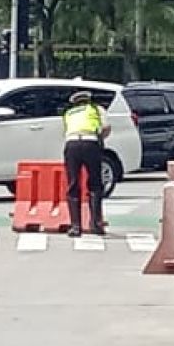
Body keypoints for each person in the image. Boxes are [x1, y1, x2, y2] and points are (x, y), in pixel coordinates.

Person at [63, 90, 111, 237]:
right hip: (90, 143)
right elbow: (106, 128)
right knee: (95, 183)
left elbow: (66, 130)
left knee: (73, 183)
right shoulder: (96, 109)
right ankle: (96, 224)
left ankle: (75, 226)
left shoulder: (68, 113)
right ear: (89, 100)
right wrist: (100, 137)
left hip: (71, 145)